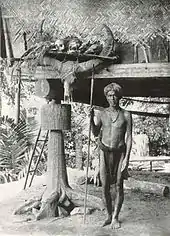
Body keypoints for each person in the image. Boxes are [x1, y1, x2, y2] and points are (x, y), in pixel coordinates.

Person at [90, 82, 132, 229]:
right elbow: (95, 132)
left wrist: (127, 158)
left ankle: (115, 217)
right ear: (106, 97)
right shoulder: (102, 114)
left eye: (114, 95)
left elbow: (129, 137)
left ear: (119, 97)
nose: (112, 98)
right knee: (105, 186)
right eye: (109, 96)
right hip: (104, 152)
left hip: (120, 153)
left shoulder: (126, 115)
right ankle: (108, 215)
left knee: (119, 185)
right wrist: (90, 118)